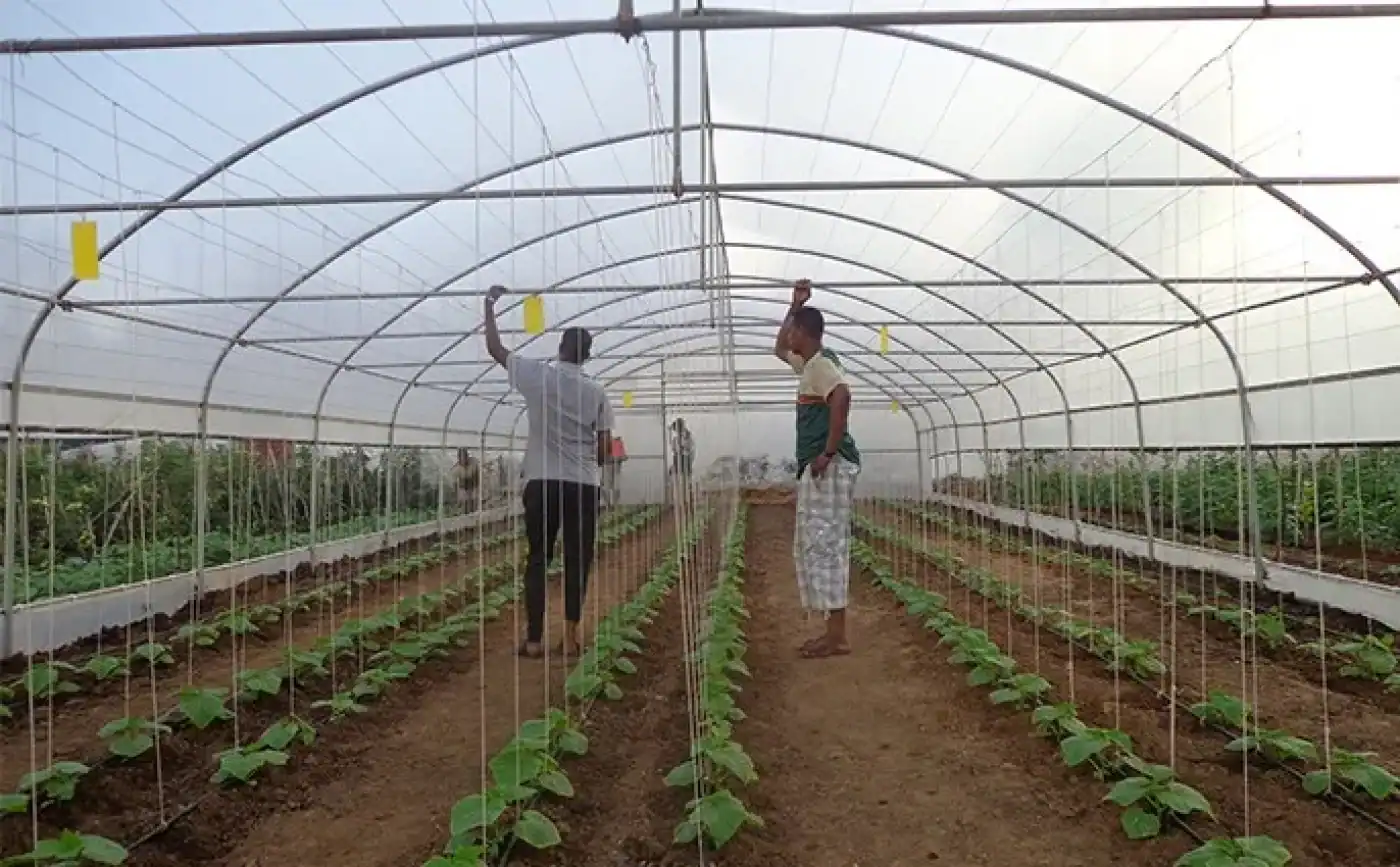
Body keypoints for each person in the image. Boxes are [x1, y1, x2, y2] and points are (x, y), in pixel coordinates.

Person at [482, 285, 614, 660]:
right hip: (583, 484)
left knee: (539, 556)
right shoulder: (597, 392)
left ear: (560, 349)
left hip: (541, 482)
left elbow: (495, 348)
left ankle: (535, 639)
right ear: (587, 356)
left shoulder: (538, 376)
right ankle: (571, 636)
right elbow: (604, 448)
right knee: (578, 557)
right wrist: (589, 462)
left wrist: (490, 306)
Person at [774, 278, 862, 659]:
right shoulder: (809, 364)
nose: (787, 334)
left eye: (793, 327)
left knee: (826, 544)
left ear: (804, 334)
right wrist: (793, 305)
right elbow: (778, 349)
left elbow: (841, 395)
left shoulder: (822, 365)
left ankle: (837, 636)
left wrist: (827, 452)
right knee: (819, 543)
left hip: (830, 466)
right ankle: (832, 631)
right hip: (822, 468)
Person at [453, 448, 481, 512]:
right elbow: (455, 482)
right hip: (463, 488)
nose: (462, 460)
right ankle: (466, 512)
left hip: (473, 486)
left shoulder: (473, 463)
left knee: (473, 504)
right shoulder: (457, 467)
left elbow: (477, 477)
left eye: (464, 457)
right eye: (460, 457)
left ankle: (473, 513)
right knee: (465, 505)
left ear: (467, 456)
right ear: (458, 458)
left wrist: (476, 489)